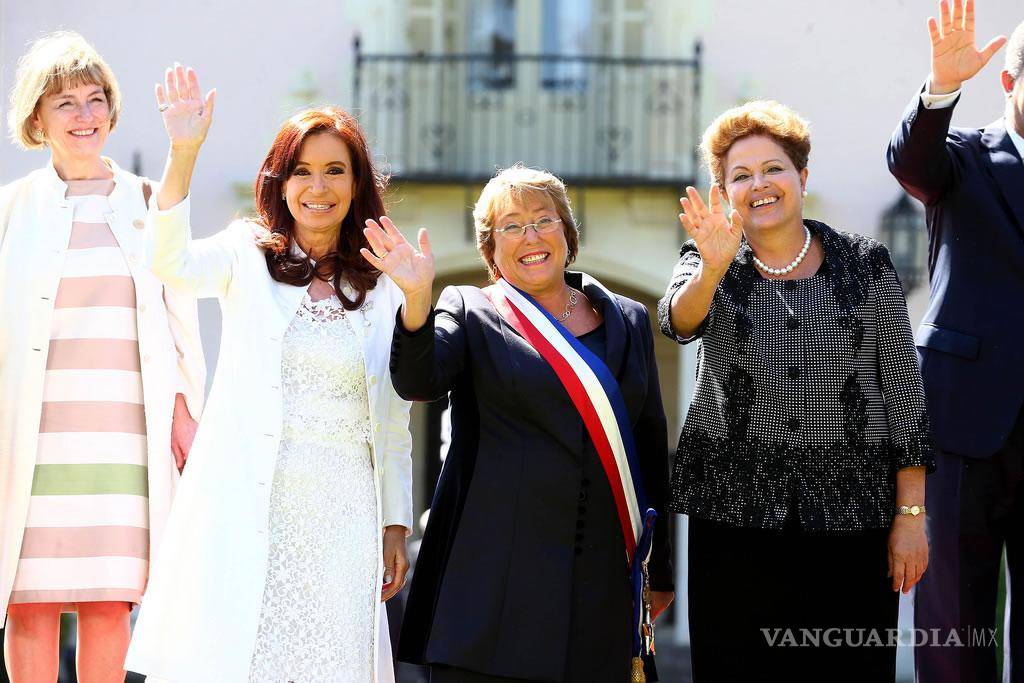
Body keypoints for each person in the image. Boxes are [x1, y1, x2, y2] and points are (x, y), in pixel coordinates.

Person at [122, 65, 413, 682]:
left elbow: (392, 415)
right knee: (245, 658)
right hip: (252, 498)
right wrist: (184, 151)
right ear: (280, 184)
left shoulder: (383, 282)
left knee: (331, 660)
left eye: (336, 170)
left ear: (357, 184)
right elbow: (167, 261)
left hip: (344, 512)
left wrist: (395, 521)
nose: (318, 186)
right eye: (302, 170)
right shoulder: (246, 253)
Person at [662, 100, 935, 682]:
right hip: (732, 519)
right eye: (740, 176)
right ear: (724, 192)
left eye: (773, 168)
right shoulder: (710, 261)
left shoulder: (865, 263)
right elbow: (678, 322)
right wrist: (709, 269)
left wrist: (911, 514)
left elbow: (903, 393)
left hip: (852, 523)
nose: (758, 184)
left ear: (802, 178)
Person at [369, 164, 674, 683]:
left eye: (543, 220)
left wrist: (658, 568)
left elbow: (648, 444)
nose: (530, 236)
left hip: (598, 590)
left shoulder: (629, 319)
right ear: (491, 249)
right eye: (510, 226)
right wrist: (417, 302)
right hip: (495, 593)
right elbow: (419, 380)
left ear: (567, 233)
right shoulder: (468, 311)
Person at [0, 33, 205, 683]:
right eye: (66, 102)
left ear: (113, 113)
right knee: (29, 604)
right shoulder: (11, 210)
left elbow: (179, 321)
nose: (85, 115)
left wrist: (183, 414)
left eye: (96, 100)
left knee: (108, 600)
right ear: (38, 118)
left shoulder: (149, 203)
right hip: (31, 437)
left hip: (123, 438)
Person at [887, 1, 1024, 679]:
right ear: (1008, 82)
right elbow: (910, 161)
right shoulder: (963, 158)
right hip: (966, 423)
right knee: (954, 627)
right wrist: (940, 89)